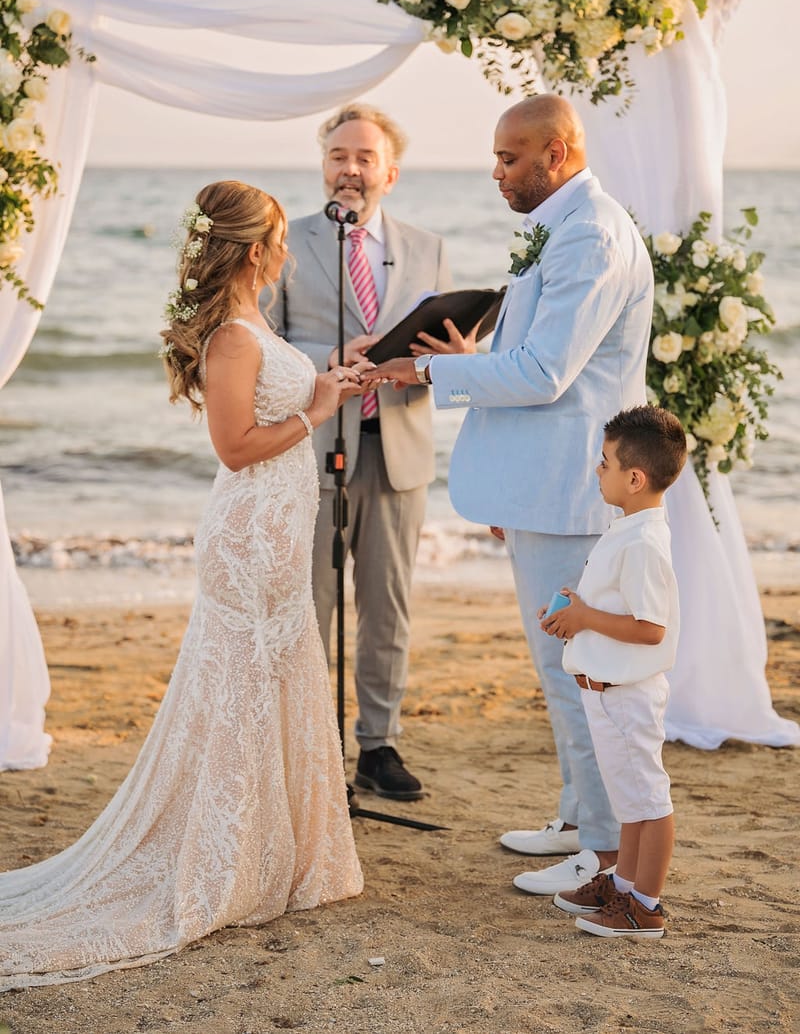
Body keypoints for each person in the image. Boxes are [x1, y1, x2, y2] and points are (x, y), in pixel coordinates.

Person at [0, 180, 364, 991]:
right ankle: (230, 863)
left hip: (277, 525)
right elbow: (235, 447)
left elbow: (275, 407)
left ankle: (281, 854)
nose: (284, 249)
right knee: (241, 682)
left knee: (274, 677)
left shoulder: (254, 319)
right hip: (248, 535)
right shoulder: (234, 335)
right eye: (275, 237)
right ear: (253, 248)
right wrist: (319, 412)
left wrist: (330, 383)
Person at [368, 94, 654, 892]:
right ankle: (576, 814)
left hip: (569, 490)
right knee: (560, 669)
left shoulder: (591, 235)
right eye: (497, 158)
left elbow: (541, 375)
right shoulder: (565, 227)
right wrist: (468, 353)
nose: (497, 173)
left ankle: (600, 851)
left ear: (557, 153)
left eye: (510, 158)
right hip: (545, 483)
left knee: (576, 675)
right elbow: (540, 356)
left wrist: (423, 368)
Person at [272, 104, 457, 801]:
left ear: (390, 172)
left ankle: (377, 747)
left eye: (363, 158)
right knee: (310, 603)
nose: (349, 169)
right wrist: (327, 360)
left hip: (398, 444)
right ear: (325, 166)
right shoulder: (285, 242)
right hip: (316, 447)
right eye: (337, 156)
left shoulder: (429, 248)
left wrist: (457, 361)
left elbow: (444, 342)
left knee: (387, 605)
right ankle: (311, 749)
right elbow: (261, 346)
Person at [542, 405, 686, 938]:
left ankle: (645, 905)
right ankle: (622, 884)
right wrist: (575, 611)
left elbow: (652, 629)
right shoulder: (628, 527)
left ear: (634, 477)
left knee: (648, 797)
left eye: (603, 463)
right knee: (630, 800)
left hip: (628, 694)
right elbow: (618, 606)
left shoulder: (646, 542)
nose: (596, 472)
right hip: (606, 692)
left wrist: (585, 617)